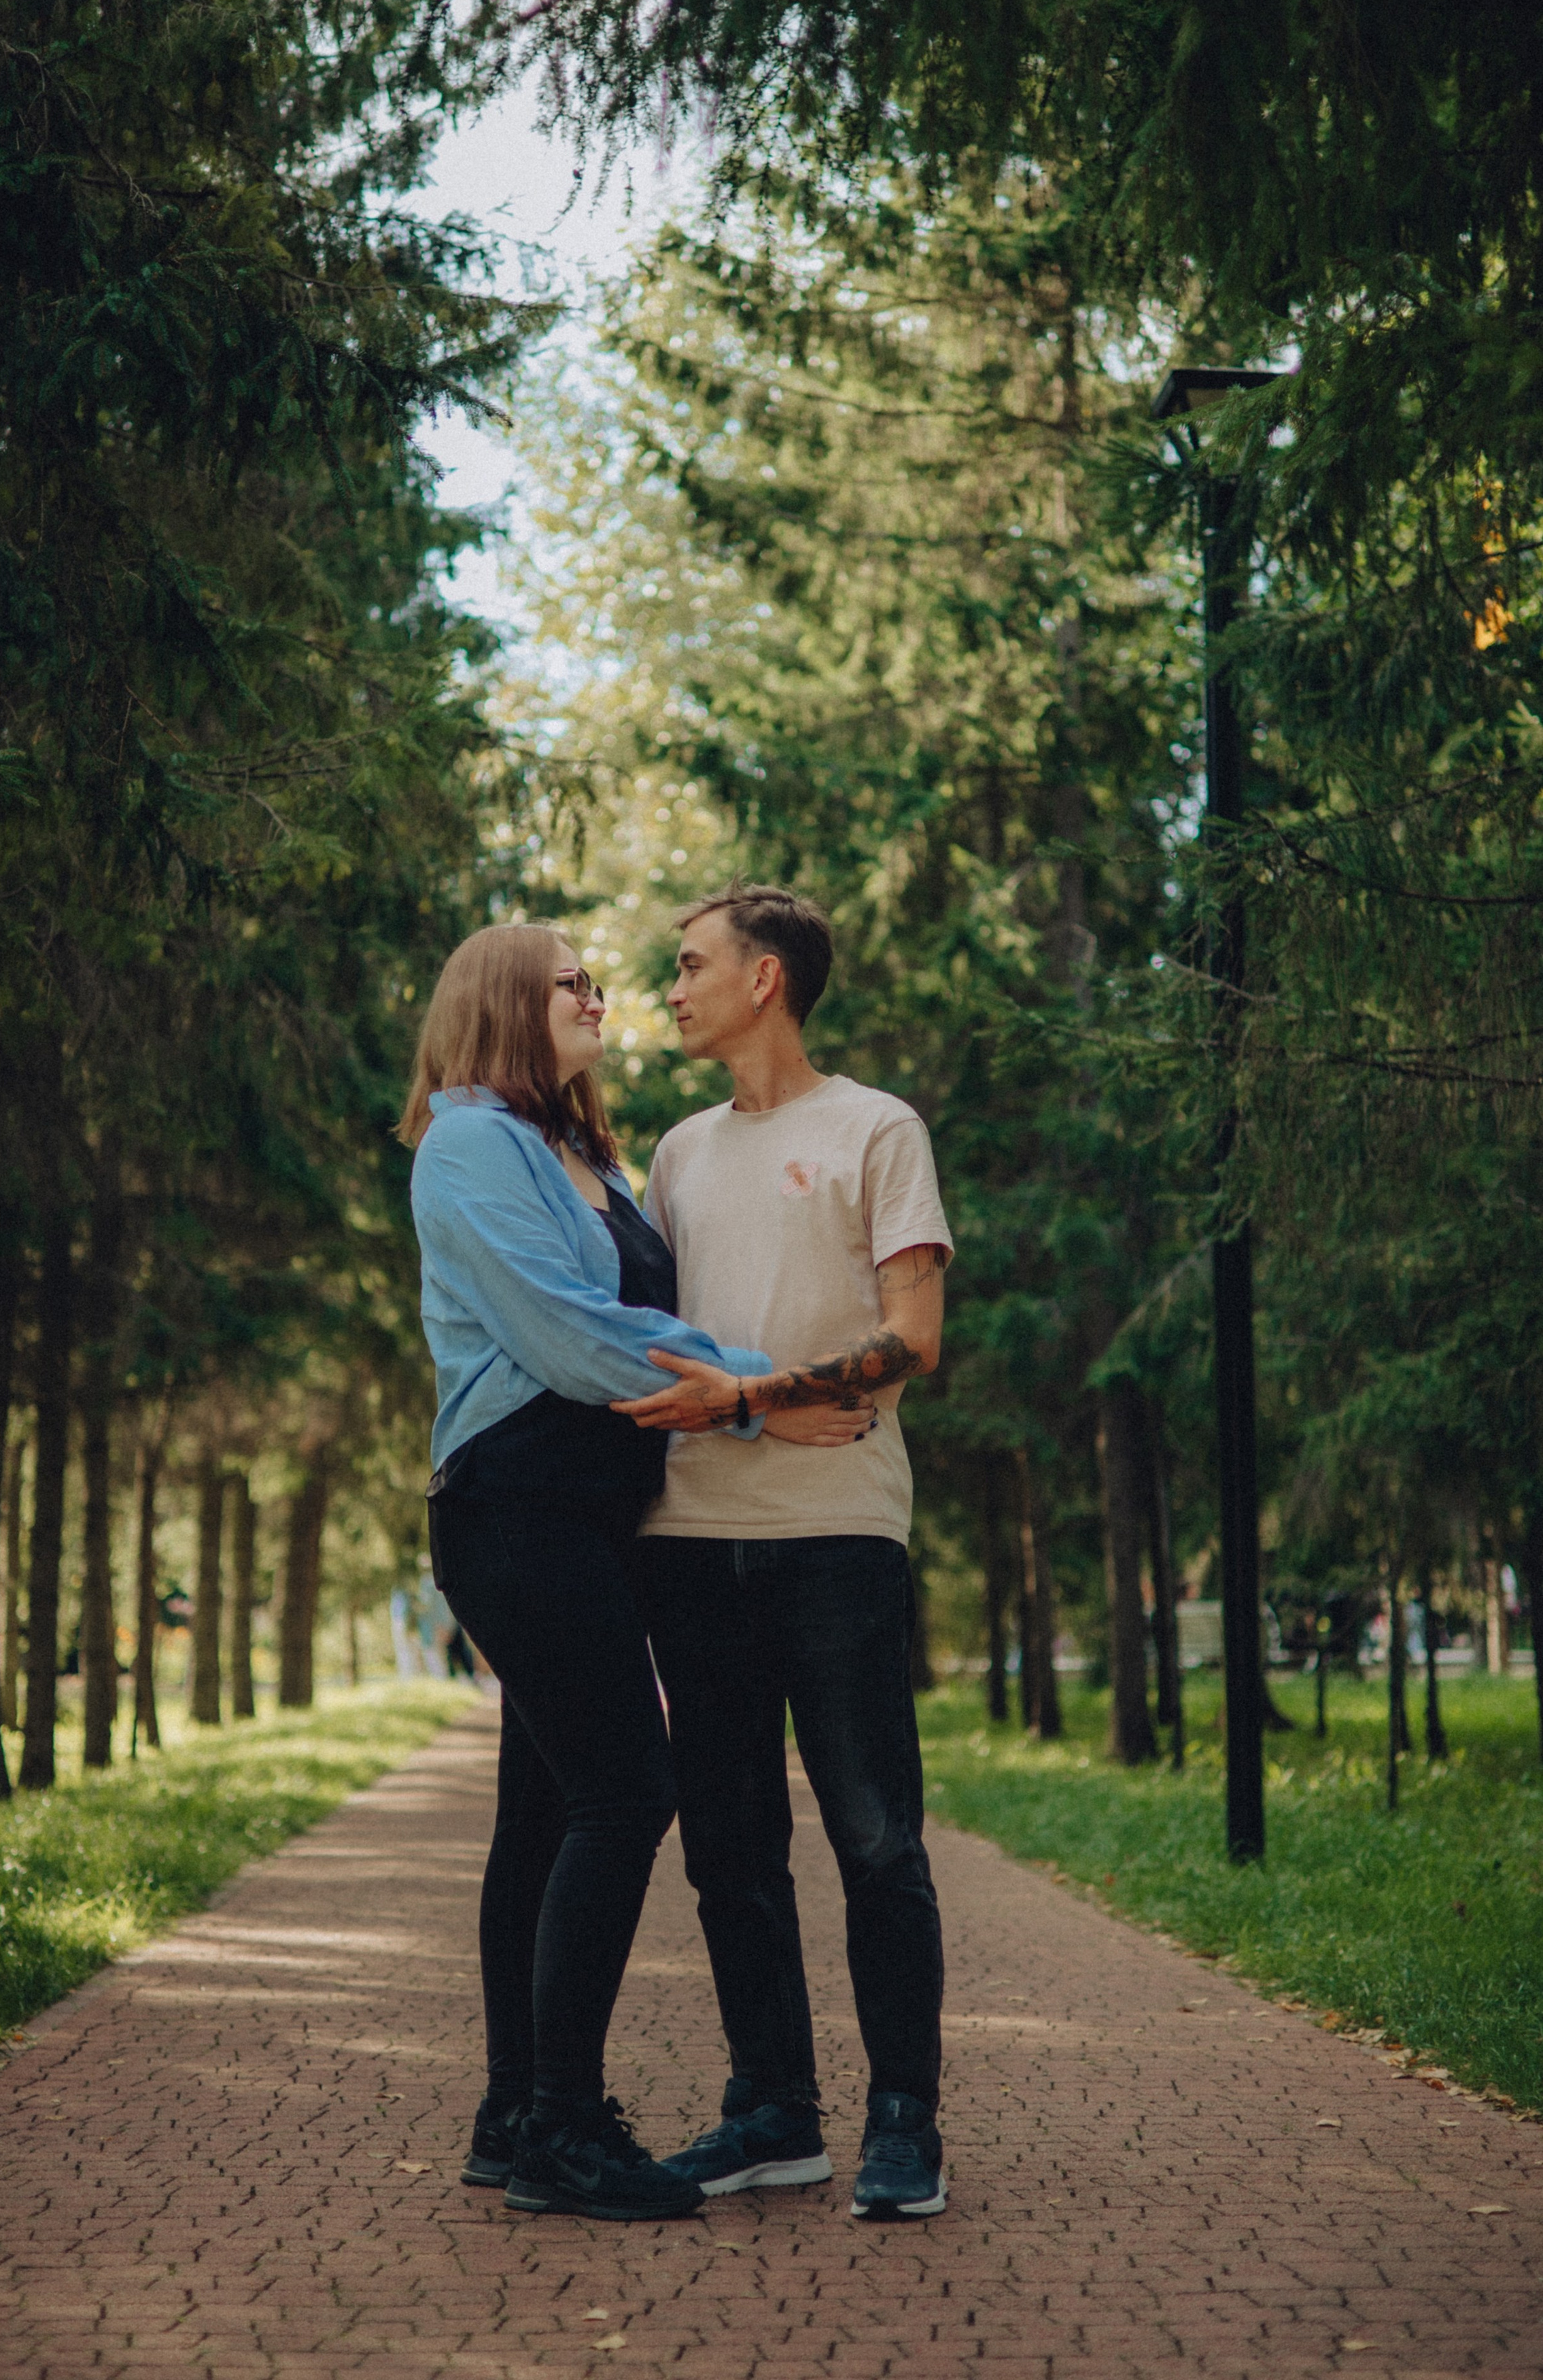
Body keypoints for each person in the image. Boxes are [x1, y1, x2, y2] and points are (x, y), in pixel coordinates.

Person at [399, 920, 784, 2222]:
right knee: (628, 1790)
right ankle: (566, 2120)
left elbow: (609, 1310)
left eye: (596, 979)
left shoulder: (583, 1155)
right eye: (569, 979)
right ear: (507, 1000)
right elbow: (568, 1334)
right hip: (516, 1506)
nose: (598, 995)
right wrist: (745, 1393)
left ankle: (513, 2112)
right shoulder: (468, 1146)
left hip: (584, 1514)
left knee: (549, 1813)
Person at [612, 881, 954, 2222]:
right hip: (687, 1540)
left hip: (836, 1537)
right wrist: (757, 1397)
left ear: (764, 979)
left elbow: (911, 1338)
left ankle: (903, 2126)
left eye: (690, 963)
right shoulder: (678, 1151)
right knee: (728, 1847)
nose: (672, 985)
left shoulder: (876, 1128)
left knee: (875, 1839)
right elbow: (651, 1342)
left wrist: (744, 1397)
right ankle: (771, 2115)